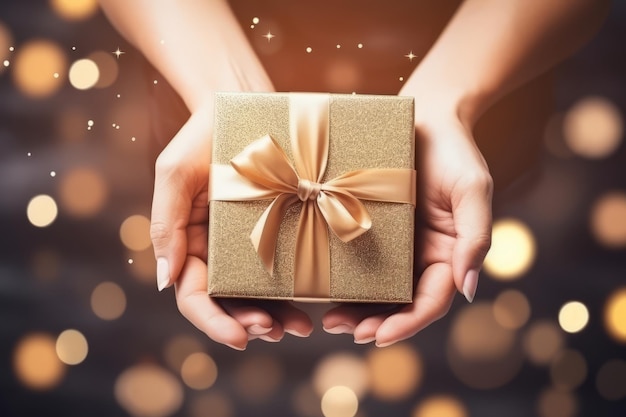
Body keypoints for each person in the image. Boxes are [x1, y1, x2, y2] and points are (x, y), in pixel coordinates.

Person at [98, 0, 609, 350]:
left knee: (468, 208)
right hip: (207, 78)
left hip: (482, 85)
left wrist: (448, 102)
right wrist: (224, 94)